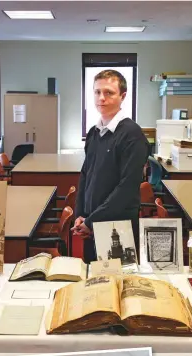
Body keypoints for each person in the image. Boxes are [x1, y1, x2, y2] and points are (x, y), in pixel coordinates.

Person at [71, 69, 149, 262]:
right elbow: (85, 176)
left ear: (122, 96)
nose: (101, 98)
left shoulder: (132, 135)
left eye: (109, 93)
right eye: (97, 92)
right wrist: (81, 215)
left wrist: (91, 221)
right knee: (95, 281)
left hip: (118, 225)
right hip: (91, 225)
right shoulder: (94, 133)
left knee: (118, 283)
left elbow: (127, 188)